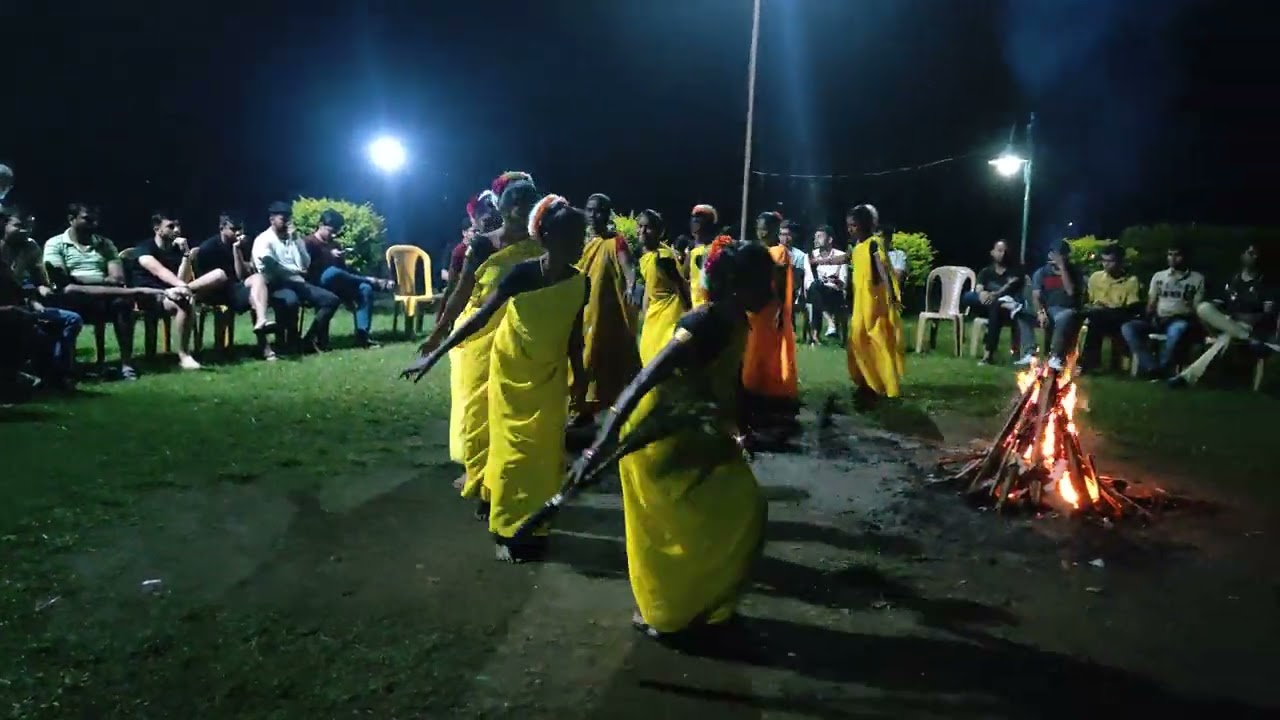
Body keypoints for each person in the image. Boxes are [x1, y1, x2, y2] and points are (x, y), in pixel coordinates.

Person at [570, 241, 773, 638]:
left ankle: (705, 607)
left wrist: (740, 426)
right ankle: (667, 614)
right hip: (657, 439)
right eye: (761, 282)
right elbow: (641, 383)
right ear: (735, 285)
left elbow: (730, 381)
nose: (769, 290)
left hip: (696, 432)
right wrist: (596, 448)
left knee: (739, 512)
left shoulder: (737, 321)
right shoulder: (702, 324)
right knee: (677, 531)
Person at [402, 194, 587, 563]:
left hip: (550, 379)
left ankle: (536, 524)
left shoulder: (579, 281)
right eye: (572, 236)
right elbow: (479, 318)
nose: (580, 244)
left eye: (581, 236)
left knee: (544, 455)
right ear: (547, 236)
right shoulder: (522, 273)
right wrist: (435, 353)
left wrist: (580, 382)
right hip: (511, 373)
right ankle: (506, 528)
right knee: (513, 453)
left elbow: (574, 335)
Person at [418, 172, 543, 516]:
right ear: (500, 205)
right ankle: (480, 480)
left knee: (510, 416)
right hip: (477, 337)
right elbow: (460, 292)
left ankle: (500, 488)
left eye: (528, 197)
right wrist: (438, 333)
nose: (521, 204)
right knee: (477, 416)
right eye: (514, 197)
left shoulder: (542, 246)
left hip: (520, 338)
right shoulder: (483, 245)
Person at [43, 203, 164, 379]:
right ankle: (67, 365)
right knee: (70, 294)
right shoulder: (55, 244)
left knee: (123, 303)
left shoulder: (105, 244)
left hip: (104, 297)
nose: (93, 224)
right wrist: (102, 280)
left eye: (95, 220)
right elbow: (61, 281)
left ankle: (126, 364)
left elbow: (117, 279)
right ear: (71, 219)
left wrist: (78, 279)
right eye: (87, 219)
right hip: (73, 299)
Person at [1169, 244, 1277, 388]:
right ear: (1242, 255)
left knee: (1227, 336)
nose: (1252, 256)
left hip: (1250, 326)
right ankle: (1243, 335)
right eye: (1249, 253)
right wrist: (1220, 314)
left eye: (1255, 254)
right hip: (1227, 323)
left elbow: (1266, 315)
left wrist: (1239, 319)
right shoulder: (1232, 280)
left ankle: (1187, 377)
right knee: (1203, 307)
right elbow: (1218, 304)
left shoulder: (1266, 283)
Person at [574, 192, 641, 420]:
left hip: (604, 312)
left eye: (599, 210)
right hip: (581, 308)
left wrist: (632, 286)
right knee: (579, 355)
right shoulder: (583, 242)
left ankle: (592, 408)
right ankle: (581, 406)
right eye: (590, 210)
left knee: (595, 356)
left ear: (607, 214)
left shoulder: (616, 241)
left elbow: (628, 266)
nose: (594, 215)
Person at [129, 211, 222, 370]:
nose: (177, 230)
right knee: (184, 300)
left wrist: (186, 255)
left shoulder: (176, 250)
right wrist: (181, 287)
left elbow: (181, 278)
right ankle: (184, 355)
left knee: (219, 275)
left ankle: (186, 353)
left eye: (178, 225)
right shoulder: (145, 247)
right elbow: (159, 271)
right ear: (157, 229)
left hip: (172, 291)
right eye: (171, 226)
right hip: (148, 294)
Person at [1, 204, 83, 385]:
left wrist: (42, 289)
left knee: (71, 319)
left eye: (29, 226)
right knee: (32, 326)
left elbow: (40, 280)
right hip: (8, 306)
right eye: (19, 226)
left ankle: (59, 372)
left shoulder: (31, 247)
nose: (25, 231)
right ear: (4, 225)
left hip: (24, 303)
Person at [251, 201, 341, 353]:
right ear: (272, 219)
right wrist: (295, 271)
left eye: (289, 219)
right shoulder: (264, 240)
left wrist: (296, 242)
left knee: (331, 300)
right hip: (274, 283)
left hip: (296, 282)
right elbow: (271, 266)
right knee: (290, 300)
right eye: (283, 219)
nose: (287, 223)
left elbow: (305, 263)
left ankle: (308, 339)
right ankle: (288, 342)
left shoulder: (294, 238)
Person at [741, 211, 799, 436]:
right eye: (759, 226)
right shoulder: (757, 249)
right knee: (751, 346)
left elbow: (780, 282)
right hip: (753, 305)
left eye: (765, 227)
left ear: (775, 229)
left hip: (768, 306)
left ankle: (763, 389)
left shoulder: (779, 252)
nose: (761, 231)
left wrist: (779, 311)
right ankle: (752, 387)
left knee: (763, 347)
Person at [303, 208, 395, 348]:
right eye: (330, 230)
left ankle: (362, 336)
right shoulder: (309, 243)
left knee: (365, 289)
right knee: (332, 272)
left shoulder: (335, 244)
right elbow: (307, 267)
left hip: (338, 284)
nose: (333, 235)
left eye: (336, 231)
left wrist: (339, 259)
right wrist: (328, 255)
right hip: (316, 283)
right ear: (320, 225)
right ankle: (372, 281)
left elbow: (344, 271)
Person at [195, 212, 281, 359]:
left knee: (258, 281)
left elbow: (241, 276)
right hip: (216, 292)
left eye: (240, 229)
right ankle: (222, 349)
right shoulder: (208, 248)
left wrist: (237, 250)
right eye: (234, 229)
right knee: (249, 298)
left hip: (235, 288)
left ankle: (261, 323)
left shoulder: (243, 245)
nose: (238, 233)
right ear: (222, 228)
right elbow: (202, 279)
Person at [845, 204, 905, 400]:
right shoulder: (857, 247)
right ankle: (865, 380)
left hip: (874, 302)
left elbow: (883, 271)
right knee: (857, 339)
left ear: (863, 225)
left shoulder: (873, 243)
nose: (850, 229)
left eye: (853, 225)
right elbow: (847, 261)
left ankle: (886, 386)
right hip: (860, 303)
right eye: (849, 225)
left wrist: (892, 296)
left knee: (876, 340)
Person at [1121, 244, 1205, 378]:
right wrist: (1149, 316)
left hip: (1181, 319)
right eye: (1170, 254)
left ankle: (1162, 367)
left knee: (1178, 328)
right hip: (1159, 319)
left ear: (1185, 257)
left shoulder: (1196, 279)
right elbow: (1151, 302)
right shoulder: (1159, 277)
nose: (1172, 258)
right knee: (1128, 327)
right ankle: (1151, 366)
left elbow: (1197, 306)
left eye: (1177, 255)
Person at [962, 239, 1033, 365]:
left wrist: (995, 296)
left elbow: (1008, 288)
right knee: (968, 296)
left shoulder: (1015, 271)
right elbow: (979, 287)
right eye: (999, 251)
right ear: (992, 252)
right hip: (986, 305)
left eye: (1005, 251)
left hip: (1006, 310)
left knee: (996, 307)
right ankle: (995, 305)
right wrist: (982, 294)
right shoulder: (986, 271)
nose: (1002, 254)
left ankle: (988, 354)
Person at [636, 209, 690, 363]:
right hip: (654, 312)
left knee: (658, 357)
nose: (643, 231)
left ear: (660, 232)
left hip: (667, 315)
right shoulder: (649, 254)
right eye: (640, 226)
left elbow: (681, 285)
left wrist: (688, 311)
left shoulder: (663, 257)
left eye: (648, 227)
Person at [1078, 243, 1142, 373]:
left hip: (1120, 317)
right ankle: (1091, 364)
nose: (1105, 264)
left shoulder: (1131, 281)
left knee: (1098, 318)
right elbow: (1088, 301)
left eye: (1110, 261)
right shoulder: (1095, 277)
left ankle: (1089, 363)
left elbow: (1131, 308)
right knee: (1095, 318)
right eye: (1104, 261)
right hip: (1098, 316)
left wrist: (1107, 308)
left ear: (1120, 262)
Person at [1029, 239, 1086, 371]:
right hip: (1047, 309)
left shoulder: (1074, 272)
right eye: (1055, 253)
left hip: (1067, 309)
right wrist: (1040, 312)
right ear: (1050, 255)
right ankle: (1028, 353)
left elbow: (1071, 291)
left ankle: (1056, 357)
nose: (1059, 257)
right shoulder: (1042, 273)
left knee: (1065, 317)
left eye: (1062, 254)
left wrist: (1062, 268)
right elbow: (1036, 296)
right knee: (1021, 312)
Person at [802, 225, 850, 343]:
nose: (816, 239)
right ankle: (830, 323)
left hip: (834, 293)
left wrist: (833, 282)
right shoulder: (809, 256)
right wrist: (823, 282)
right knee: (815, 287)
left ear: (829, 240)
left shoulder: (840, 255)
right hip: (815, 291)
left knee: (816, 289)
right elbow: (808, 282)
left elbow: (843, 283)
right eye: (815, 237)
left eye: (819, 236)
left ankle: (816, 334)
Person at [686, 204, 718, 307]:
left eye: (700, 217)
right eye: (694, 217)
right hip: (695, 309)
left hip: (710, 309)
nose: (695, 220)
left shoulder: (717, 248)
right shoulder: (692, 250)